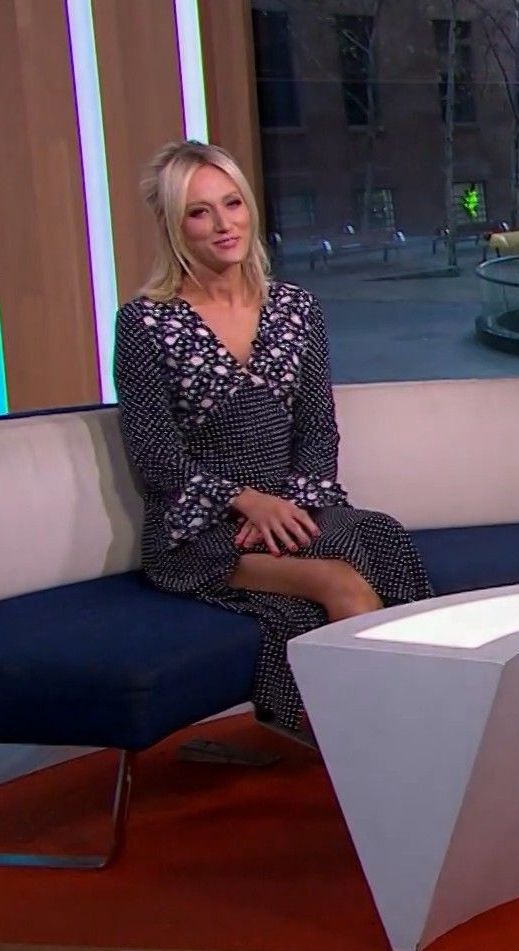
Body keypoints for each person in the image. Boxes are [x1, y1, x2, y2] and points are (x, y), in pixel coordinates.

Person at [112, 140, 434, 747]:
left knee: (380, 539)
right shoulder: (146, 322)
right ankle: (387, 750)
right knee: (340, 583)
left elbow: (318, 430)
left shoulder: (295, 308)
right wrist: (247, 503)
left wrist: (284, 506)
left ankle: (409, 731)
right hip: (202, 530)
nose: (223, 223)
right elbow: (155, 455)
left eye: (232, 203)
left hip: (293, 509)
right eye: (199, 211)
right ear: (174, 225)